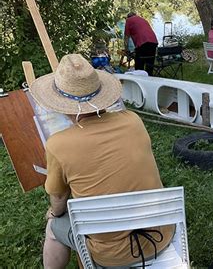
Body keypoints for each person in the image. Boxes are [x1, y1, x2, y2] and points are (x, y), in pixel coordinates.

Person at [31, 54, 174, 269]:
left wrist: (53, 213)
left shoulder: (58, 144)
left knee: (53, 227)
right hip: (160, 234)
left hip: (112, 255)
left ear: (62, 104)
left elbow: (59, 200)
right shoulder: (133, 121)